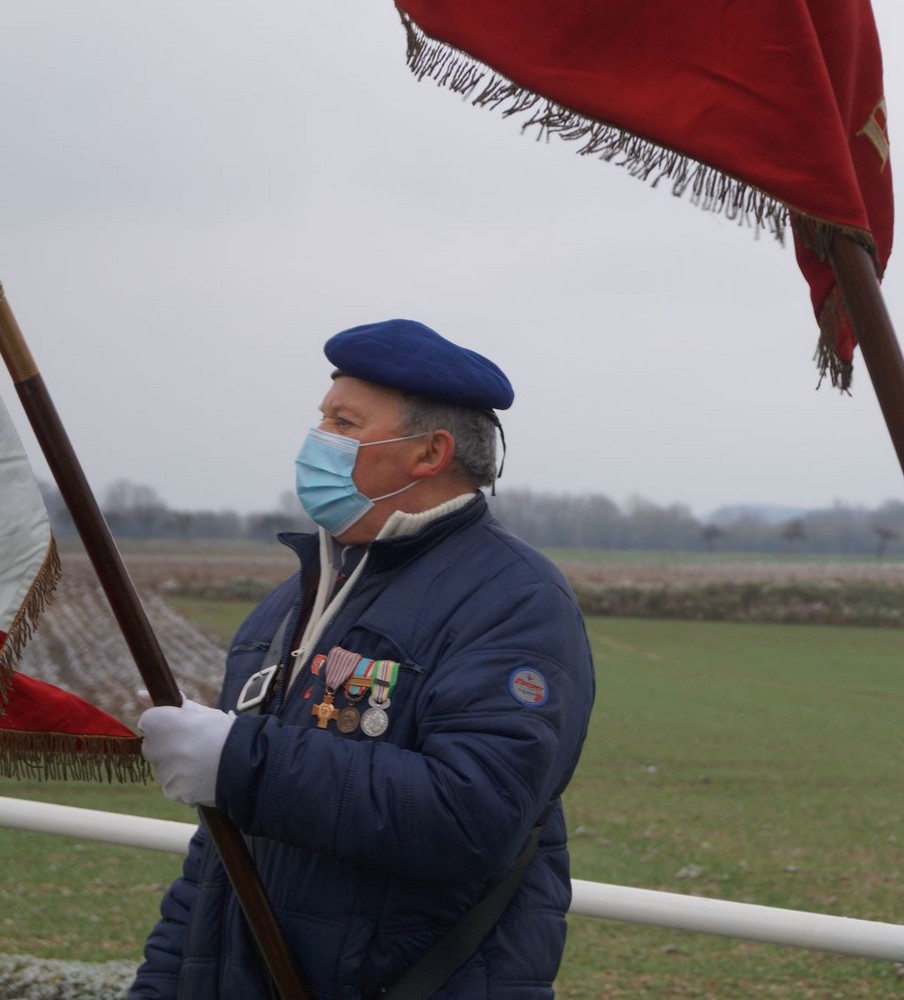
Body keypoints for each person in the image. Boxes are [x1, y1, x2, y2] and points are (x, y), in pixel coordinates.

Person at [130, 319, 595, 999]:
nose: (316, 439)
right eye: (321, 418)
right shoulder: (295, 597)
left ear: (430, 452)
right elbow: (220, 851)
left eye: (343, 423)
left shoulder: (514, 599)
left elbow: (472, 814)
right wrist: (161, 985)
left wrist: (243, 763)